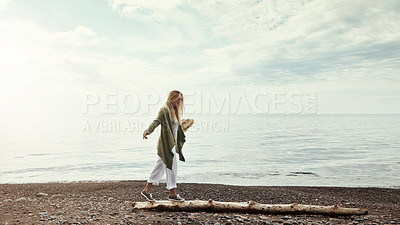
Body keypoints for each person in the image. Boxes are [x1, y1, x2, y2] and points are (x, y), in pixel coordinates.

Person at [141, 90, 186, 202]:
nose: (180, 101)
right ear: (173, 98)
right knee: (172, 166)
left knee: (159, 167)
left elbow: (176, 129)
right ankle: (172, 193)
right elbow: (156, 121)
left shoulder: (175, 112)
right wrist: (148, 130)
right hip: (166, 145)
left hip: (171, 145)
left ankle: (146, 190)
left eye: (181, 99)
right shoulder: (164, 110)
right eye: (179, 99)